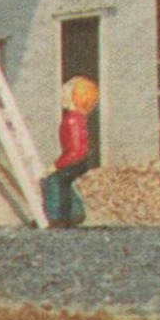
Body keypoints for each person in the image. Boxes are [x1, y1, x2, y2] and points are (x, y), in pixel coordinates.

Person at [43, 76, 99, 228]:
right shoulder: (79, 118)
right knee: (65, 183)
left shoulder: (72, 120)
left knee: (52, 180)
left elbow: (74, 151)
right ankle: (76, 213)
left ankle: (57, 218)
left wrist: (56, 165)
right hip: (80, 159)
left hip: (75, 160)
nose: (62, 96)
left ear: (77, 98)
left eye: (66, 93)